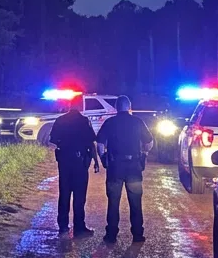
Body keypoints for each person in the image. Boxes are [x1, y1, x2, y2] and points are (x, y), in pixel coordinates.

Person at [97, 95, 154, 244]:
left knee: (113, 202)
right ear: (129, 107)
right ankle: (137, 234)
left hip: (115, 168)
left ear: (116, 107)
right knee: (135, 202)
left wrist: (104, 159)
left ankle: (111, 235)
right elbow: (149, 142)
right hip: (134, 168)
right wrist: (144, 154)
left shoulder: (110, 122)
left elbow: (100, 144)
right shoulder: (137, 122)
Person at [49, 97, 101, 236]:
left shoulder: (60, 120)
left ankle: (63, 226)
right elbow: (91, 142)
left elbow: (52, 141)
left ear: (70, 105)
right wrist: (96, 161)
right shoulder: (84, 121)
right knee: (79, 196)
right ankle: (79, 227)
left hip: (64, 162)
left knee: (64, 194)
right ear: (81, 106)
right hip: (80, 163)